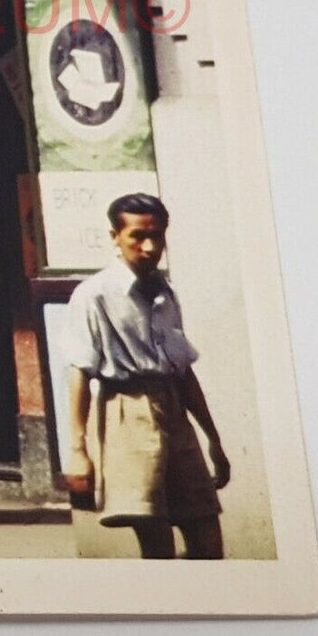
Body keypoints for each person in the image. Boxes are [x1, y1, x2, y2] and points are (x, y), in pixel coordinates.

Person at [64, 193, 231, 559]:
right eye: (138, 236)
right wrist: (79, 452)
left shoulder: (164, 292)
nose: (150, 247)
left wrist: (212, 438)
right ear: (115, 237)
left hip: (173, 411)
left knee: (207, 537)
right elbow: (79, 373)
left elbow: (182, 370)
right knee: (156, 544)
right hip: (125, 412)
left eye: (158, 236)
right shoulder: (94, 296)